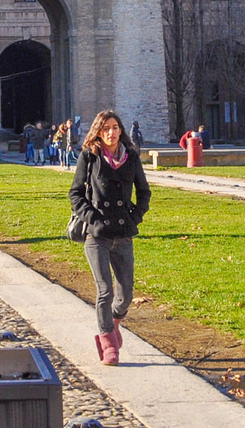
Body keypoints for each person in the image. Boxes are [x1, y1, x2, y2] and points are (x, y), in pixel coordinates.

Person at [69, 109, 150, 367]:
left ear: (121, 130)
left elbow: (144, 192)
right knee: (105, 290)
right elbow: (75, 193)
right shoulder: (89, 157)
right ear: (98, 132)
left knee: (125, 293)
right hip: (97, 235)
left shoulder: (131, 157)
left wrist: (134, 217)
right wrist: (92, 218)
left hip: (123, 233)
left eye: (115, 127)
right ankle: (107, 343)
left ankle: (113, 325)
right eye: (106, 128)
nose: (111, 133)